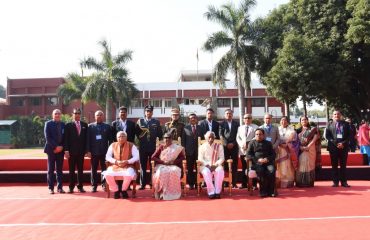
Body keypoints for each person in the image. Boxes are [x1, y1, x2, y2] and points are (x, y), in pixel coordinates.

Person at [102, 131, 139, 199]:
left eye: (123, 136)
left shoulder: (131, 145)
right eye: (119, 137)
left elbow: (136, 156)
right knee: (107, 174)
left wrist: (127, 161)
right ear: (116, 138)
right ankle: (116, 190)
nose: (121, 138)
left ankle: (123, 190)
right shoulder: (113, 145)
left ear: (126, 137)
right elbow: (107, 156)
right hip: (116, 165)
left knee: (129, 174)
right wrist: (115, 161)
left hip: (127, 166)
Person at [135, 105, 163, 190]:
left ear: (152, 113)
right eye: (147, 111)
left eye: (150, 111)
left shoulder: (156, 122)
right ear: (145, 112)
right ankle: (142, 184)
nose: (148, 113)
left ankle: (152, 182)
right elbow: (137, 133)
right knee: (142, 166)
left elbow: (160, 135)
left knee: (152, 166)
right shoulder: (140, 121)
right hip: (143, 147)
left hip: (153, 147)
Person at [151, 132, 185, 200]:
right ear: (163, 139)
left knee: (174, 171)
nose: (167, 140)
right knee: (162, 172)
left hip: (173, 165)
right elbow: (153, 157)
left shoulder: (176, 148)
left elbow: (182, 157)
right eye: (165, 138)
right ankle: (161, 192)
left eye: (169, 138)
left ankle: (173, 193)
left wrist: (173, 162)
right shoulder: (161, 147)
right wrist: (163, 162)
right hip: (162, 165)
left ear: (171, 139)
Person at [86, 110, 112, 192]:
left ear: (103, 116)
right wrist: (88, 151)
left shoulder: (107, 127)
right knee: (93, 169)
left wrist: (110, 152)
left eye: (101, 115)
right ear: (95, 116)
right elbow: (87, 140)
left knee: (104, 169)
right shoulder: (90, 126)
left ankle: (104, 184)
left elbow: (110, 140)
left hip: (104, 152)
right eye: (97, 115)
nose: (99, 116)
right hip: (93, 152)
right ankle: (94, 185)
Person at [64, 108, 88, 193]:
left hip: (81, 152)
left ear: (80, 115)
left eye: (78, 113)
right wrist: (66, 150)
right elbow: (65, 139)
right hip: (71, 152)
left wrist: (87, 150)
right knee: (71, 170)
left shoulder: (85, 125)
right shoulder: (68, 125)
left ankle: (80, 186)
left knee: (80, 170)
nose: (77, 115)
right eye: (75, 113)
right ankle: (71, 187)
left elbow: (86, 139)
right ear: (72, 114)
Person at [246, 128, 276, 197]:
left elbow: (273, 154)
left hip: (268, 162)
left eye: (260, 134)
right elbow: (248, 154)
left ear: (263, 135)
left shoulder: (268, 143)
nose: (258, 135)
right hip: (257, 163)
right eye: (257, 134)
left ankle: (271, 191)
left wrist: (267, 159)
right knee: (261, 170)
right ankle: (263, 191)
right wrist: (258, 160)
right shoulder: (251, 143)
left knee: (271, 170)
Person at [325, 110, 351, 187]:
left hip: (344, 147)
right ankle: (335, 182)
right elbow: (327, 136)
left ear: (341, 115)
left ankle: (344, 182)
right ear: (332, 116)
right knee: (334, 165)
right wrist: (336, 143)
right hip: (333, 147)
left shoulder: (346, 124)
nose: (336, 115)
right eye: (335, 114)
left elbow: (349, 136)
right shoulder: (329, 124)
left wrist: (343, 143)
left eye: (338, 114)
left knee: (343, 165)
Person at [44, 109, 65, 194]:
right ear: (53, 115)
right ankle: (51, 188)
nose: (57, 115)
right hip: (51, 150)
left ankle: (60, 188)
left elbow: (65, 138)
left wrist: (61, 147)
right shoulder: (48, 124)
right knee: (51, 170)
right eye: (55, 114)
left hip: (60, 150)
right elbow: (47, 137)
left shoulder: (63, 124)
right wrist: (56, 147)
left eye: (58, 114)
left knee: (59, 170)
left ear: (61, 115)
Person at [198, 131, 225, 199]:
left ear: (214, 138)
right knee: (206, 172)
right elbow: (200, 158)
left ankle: (217, 192)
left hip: (216, 165)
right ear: (206, 138)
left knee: (220, 171)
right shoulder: (202, 146)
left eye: (212, 137)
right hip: (205, 166)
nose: (211, 139)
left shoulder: (219, 146)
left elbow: (222, 158)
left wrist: (216, 164)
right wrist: (208, 165)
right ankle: (211, 192)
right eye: (209, 137)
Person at [295, 116, 320, 187]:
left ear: (308, 121)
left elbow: (315, 138)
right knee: (301, 165)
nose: (304, 121)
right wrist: (300, 147)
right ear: (300, 121)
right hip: (300, 150)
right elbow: (295, 141)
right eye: (302, 120)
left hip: (310, 149)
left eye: (305, 120)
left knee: (309, 165)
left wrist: (308, 146)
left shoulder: (312, 129)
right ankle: (300, 182)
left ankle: (309, 182)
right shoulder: (297, 130)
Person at [236, 113, 258, 189]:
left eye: (249, 118)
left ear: (251, 119)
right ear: (243, 119)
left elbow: (256, 137)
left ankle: (254, 184)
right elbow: (238, 138)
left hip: (252, 150)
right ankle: (244, 184)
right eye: (245, 118)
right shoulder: (240, 128)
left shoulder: (255, 127)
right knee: (244, 167)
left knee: (253, 167)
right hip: (243, 150)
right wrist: (242, 144)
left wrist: (249, 144)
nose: (247, 119)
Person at [276, 116, 298, 188]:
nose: (283, 122)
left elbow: (293, 137)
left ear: (287, 121)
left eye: (285, 120)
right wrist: (280, 144)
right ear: (280, 121)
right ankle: (279, 182)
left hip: (288, 149)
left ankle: (288, 182)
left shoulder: (291, 129)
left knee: (288, 165)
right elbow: (275, 138)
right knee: (280, 166)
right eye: (282, 120)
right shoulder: (277, 129)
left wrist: (286, 143)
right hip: (279, 149)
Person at [219, 109, 239, 188]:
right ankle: (226, 182)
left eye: (230, 113)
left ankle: (234, 182)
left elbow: (238, 135)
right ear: (224, 115)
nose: (228, 115)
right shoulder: (221, 124)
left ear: (232, 115)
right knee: (225, 165)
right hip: (225, 147)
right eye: (227, 113)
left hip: (234, 146)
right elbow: (220, 135)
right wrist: (226, 144)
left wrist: (233, 143)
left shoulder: (237, 124)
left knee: (234, 165)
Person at [181, 113, 202, 190]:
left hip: (198, 152)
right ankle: (190, 184)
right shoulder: (185, 128)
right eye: (191, 118)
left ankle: (198, 183)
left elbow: (203, 140)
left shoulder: (200, 128)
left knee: (198, 168)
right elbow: (183, 141)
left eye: (194, 118)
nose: (192, 119)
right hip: (189, 152)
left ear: (196, 119)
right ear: (189, 120)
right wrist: (184, 151)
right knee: (189, 169)